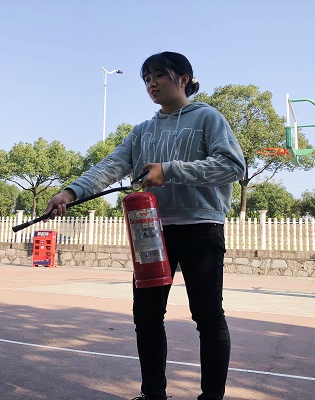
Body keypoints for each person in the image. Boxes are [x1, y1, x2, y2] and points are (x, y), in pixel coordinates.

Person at [44, 51, 246, 400]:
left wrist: (170, 170)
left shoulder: (207, 118)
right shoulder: (142, 132)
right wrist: (70, 192)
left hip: (200, 227)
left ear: (183, 79)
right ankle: (153, 395)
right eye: (147, 78)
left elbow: (232, 166)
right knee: (147, 317)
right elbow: (109, 166)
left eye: (158, 75)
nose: (151, 83)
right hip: (150, 231)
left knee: (208, 317)